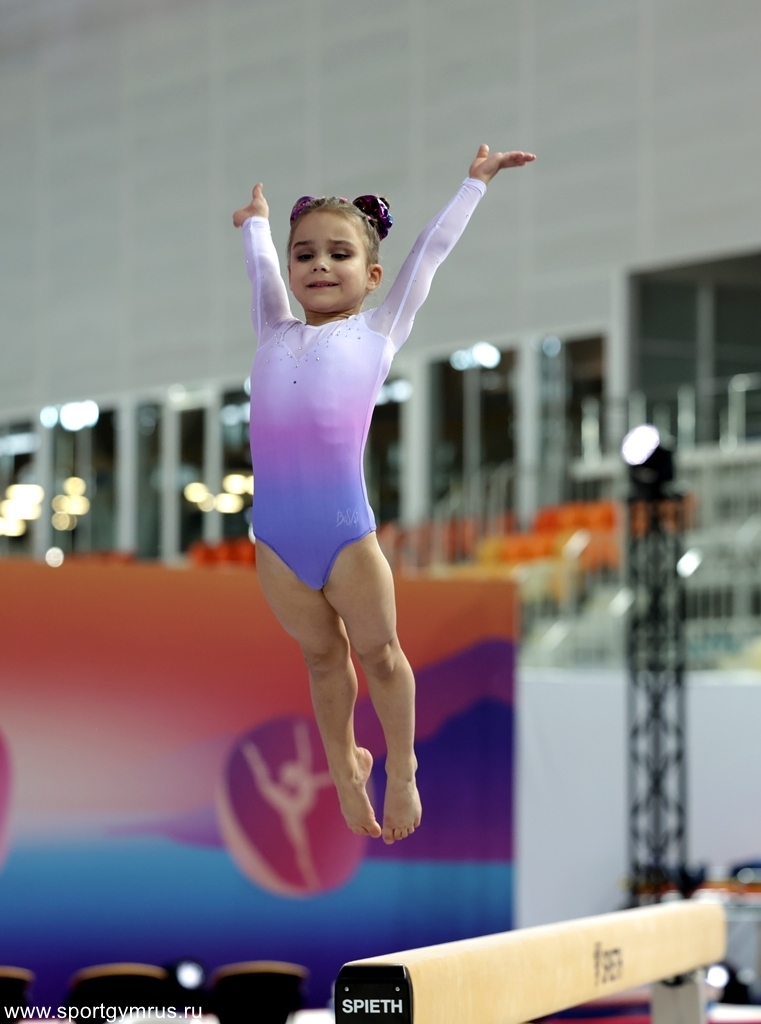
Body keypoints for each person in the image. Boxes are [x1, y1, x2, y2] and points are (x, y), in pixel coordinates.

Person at [232, 143, 536, 845]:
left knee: (381, 655)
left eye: (339, 254)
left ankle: (401, 768)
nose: (318, 265)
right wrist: (257, 225)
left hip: (344, 532)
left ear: (372, 276)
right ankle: (345, 767)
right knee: (321, 659)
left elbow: (429, 252)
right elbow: (260, 272)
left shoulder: (378, 329)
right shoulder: (272, 328)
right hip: (274, 539)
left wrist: (473, 184)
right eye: (305, 254)